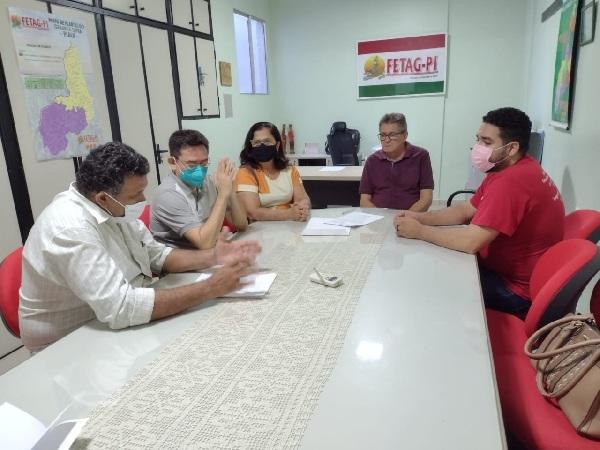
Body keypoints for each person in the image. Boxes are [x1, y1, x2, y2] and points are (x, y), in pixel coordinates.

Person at [19, 143, 261, 352]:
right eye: (136, 195)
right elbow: (121, 308)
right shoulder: (71, 228)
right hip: (67, 344)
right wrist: (210, 288)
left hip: (110, 321)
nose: (142, 201)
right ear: (103, 197)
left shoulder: (114, 209)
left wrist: (213, 256)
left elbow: (157, 255)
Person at [394, 107, 565, 318]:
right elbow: (467, 209)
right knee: (435, 257)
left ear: (511, 148)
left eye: (487, 142)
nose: (478, 148)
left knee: (430, 279)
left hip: (515, 292)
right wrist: (421, 217)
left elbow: (470, 242)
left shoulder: (512, 182)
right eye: (478, 139)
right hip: (503, 271)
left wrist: (420, 231)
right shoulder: (512, 166)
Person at [151, 130, 248, 250]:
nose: (199, 170)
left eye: (204, 163)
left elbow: (241, 225)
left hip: (209, 253)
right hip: (181, 261)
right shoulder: (167, 194)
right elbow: (204, 243)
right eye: (191, 165)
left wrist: (230, 188)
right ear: (172, 162)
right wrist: (223, 195)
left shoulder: (209, 182)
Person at [235, 122, 311, 221]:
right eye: (257, 143)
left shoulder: (289, 170)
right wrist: (288, 214)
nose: (262, 146)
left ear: (277, 145)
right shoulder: (246, 173)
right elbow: (253, 212)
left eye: (267, 141)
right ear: (251, 145)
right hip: (260, 231)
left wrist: (303, 206)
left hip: (291, 226)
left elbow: (302, 198)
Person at [360, 113, 434, 211]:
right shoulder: (372, 161)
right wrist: (381, 218)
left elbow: (426, 199)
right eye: (383, 135)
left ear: (405, 136)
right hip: (378, 218)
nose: (386, 140)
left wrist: (404, 217)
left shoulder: (421, 156)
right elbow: (364, 201)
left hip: (411, 217)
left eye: (392, 135)